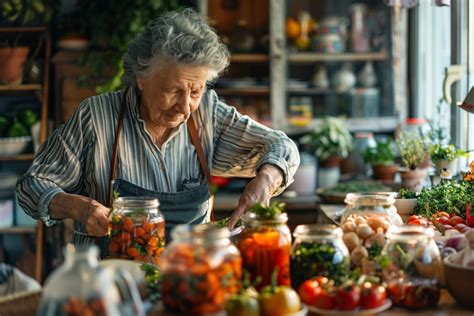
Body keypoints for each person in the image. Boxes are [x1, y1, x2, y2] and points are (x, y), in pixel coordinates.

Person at [16, 9, 300, 253]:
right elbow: (31, 186)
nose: (185, 106)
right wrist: (78, 207)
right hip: (112, 286)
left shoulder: (208, 114)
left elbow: (281, 146)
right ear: (141, 78)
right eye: (173, 90)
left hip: (189, 277)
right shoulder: (96, 117)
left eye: (195, 91)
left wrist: (265, 180)